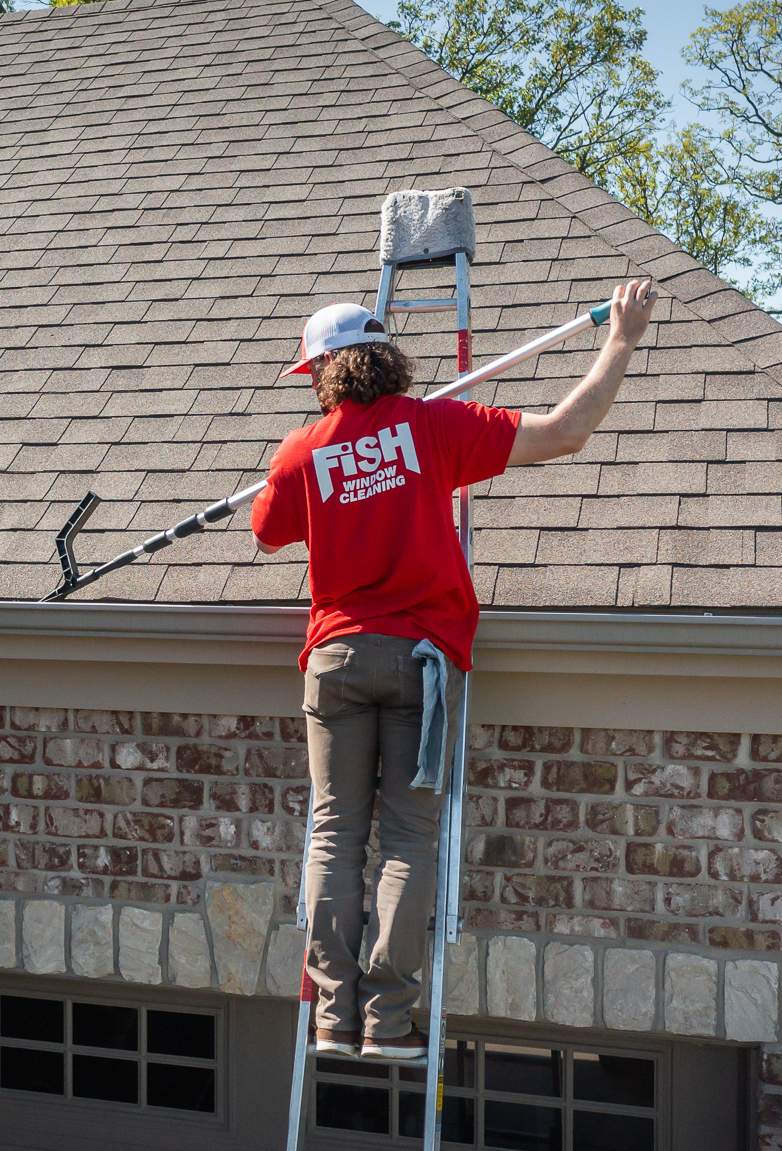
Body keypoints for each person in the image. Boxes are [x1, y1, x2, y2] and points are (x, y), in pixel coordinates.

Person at [248, 280, 656, 1060]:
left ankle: (333, 1014)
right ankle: (388, 1021)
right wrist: (623, 339)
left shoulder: (301, 450)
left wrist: (300, 472)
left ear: (326, 371)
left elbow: (268, 531)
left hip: (336, 659)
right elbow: (567, 431)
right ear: (383, 359)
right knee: (406, 839)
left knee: (334, 834)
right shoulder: (435, 427)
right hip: (423, 663)